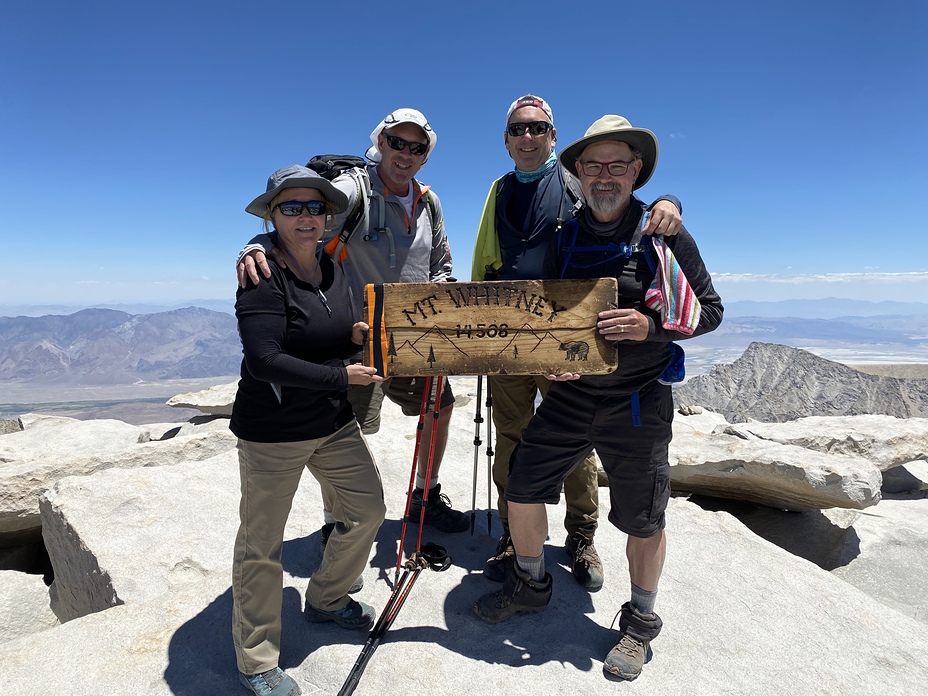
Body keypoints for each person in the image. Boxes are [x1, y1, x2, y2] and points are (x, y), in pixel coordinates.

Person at [472, 115, 724, 682]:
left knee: (641, 519)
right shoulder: (567, 235)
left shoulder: (664, 234)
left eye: (618, 165)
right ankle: (533, 582)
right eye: (594, 165)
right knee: (524, 485)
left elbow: (709, 310)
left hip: (639, 401)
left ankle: (639, 625)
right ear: (579, 173)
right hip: (572, 394)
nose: (605, 175)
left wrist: (649, 328)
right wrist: (553, 358)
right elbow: (553, 313)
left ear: (637, 171)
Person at [470, 95, 685, 591]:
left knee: (576, 442)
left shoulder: (574, 182)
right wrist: (479, 331)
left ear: (552, 136)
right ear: (506, 140)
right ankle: (514, 534)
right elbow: (485, 256)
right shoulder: (499, 191)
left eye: (537, 128)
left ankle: (580, 534)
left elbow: (627, 201)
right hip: (510, 335)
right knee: (512, 434)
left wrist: (671, 201)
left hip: (571, 339)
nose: (527, 138)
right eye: (518, 130)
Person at [237, 109, 469, 535]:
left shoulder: (429, 202)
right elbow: (301, 222)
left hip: (415, 336)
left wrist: (442, 299)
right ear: (380, 142)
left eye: (416, 148)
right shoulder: (352, 188)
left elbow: (441, 262)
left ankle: (424, 496)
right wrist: (255, 244)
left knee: (439, 407)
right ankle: (336, 521)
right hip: (356, 336)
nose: (405, 153)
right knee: (341, 426)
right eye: (396, 142)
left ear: (425, 157)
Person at [231, 165, 387, 696]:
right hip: (273, 429)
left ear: (327, 216)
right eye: (290, 207)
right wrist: (341, 375)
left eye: (314, 207)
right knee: (261, 545)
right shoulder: (261, 274)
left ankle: (325, 598)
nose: (305, 216)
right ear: (272, 215)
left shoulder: (332, 266)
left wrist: (353, 336)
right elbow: (264, 360)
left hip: (330, 420)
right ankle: (256, 660)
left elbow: (323, 336)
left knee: (367, 511)